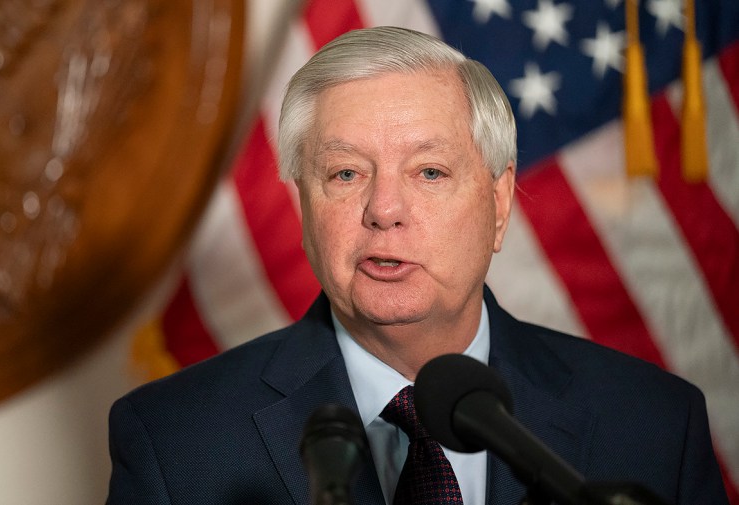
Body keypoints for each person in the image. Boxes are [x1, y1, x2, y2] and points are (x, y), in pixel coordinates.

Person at [105, 26, 728, 505]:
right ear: (303, 208)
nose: (383, 210)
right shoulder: (175, 443)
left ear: (499, 203)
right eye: (345, 173)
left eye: (429, 172)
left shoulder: (653, 425)